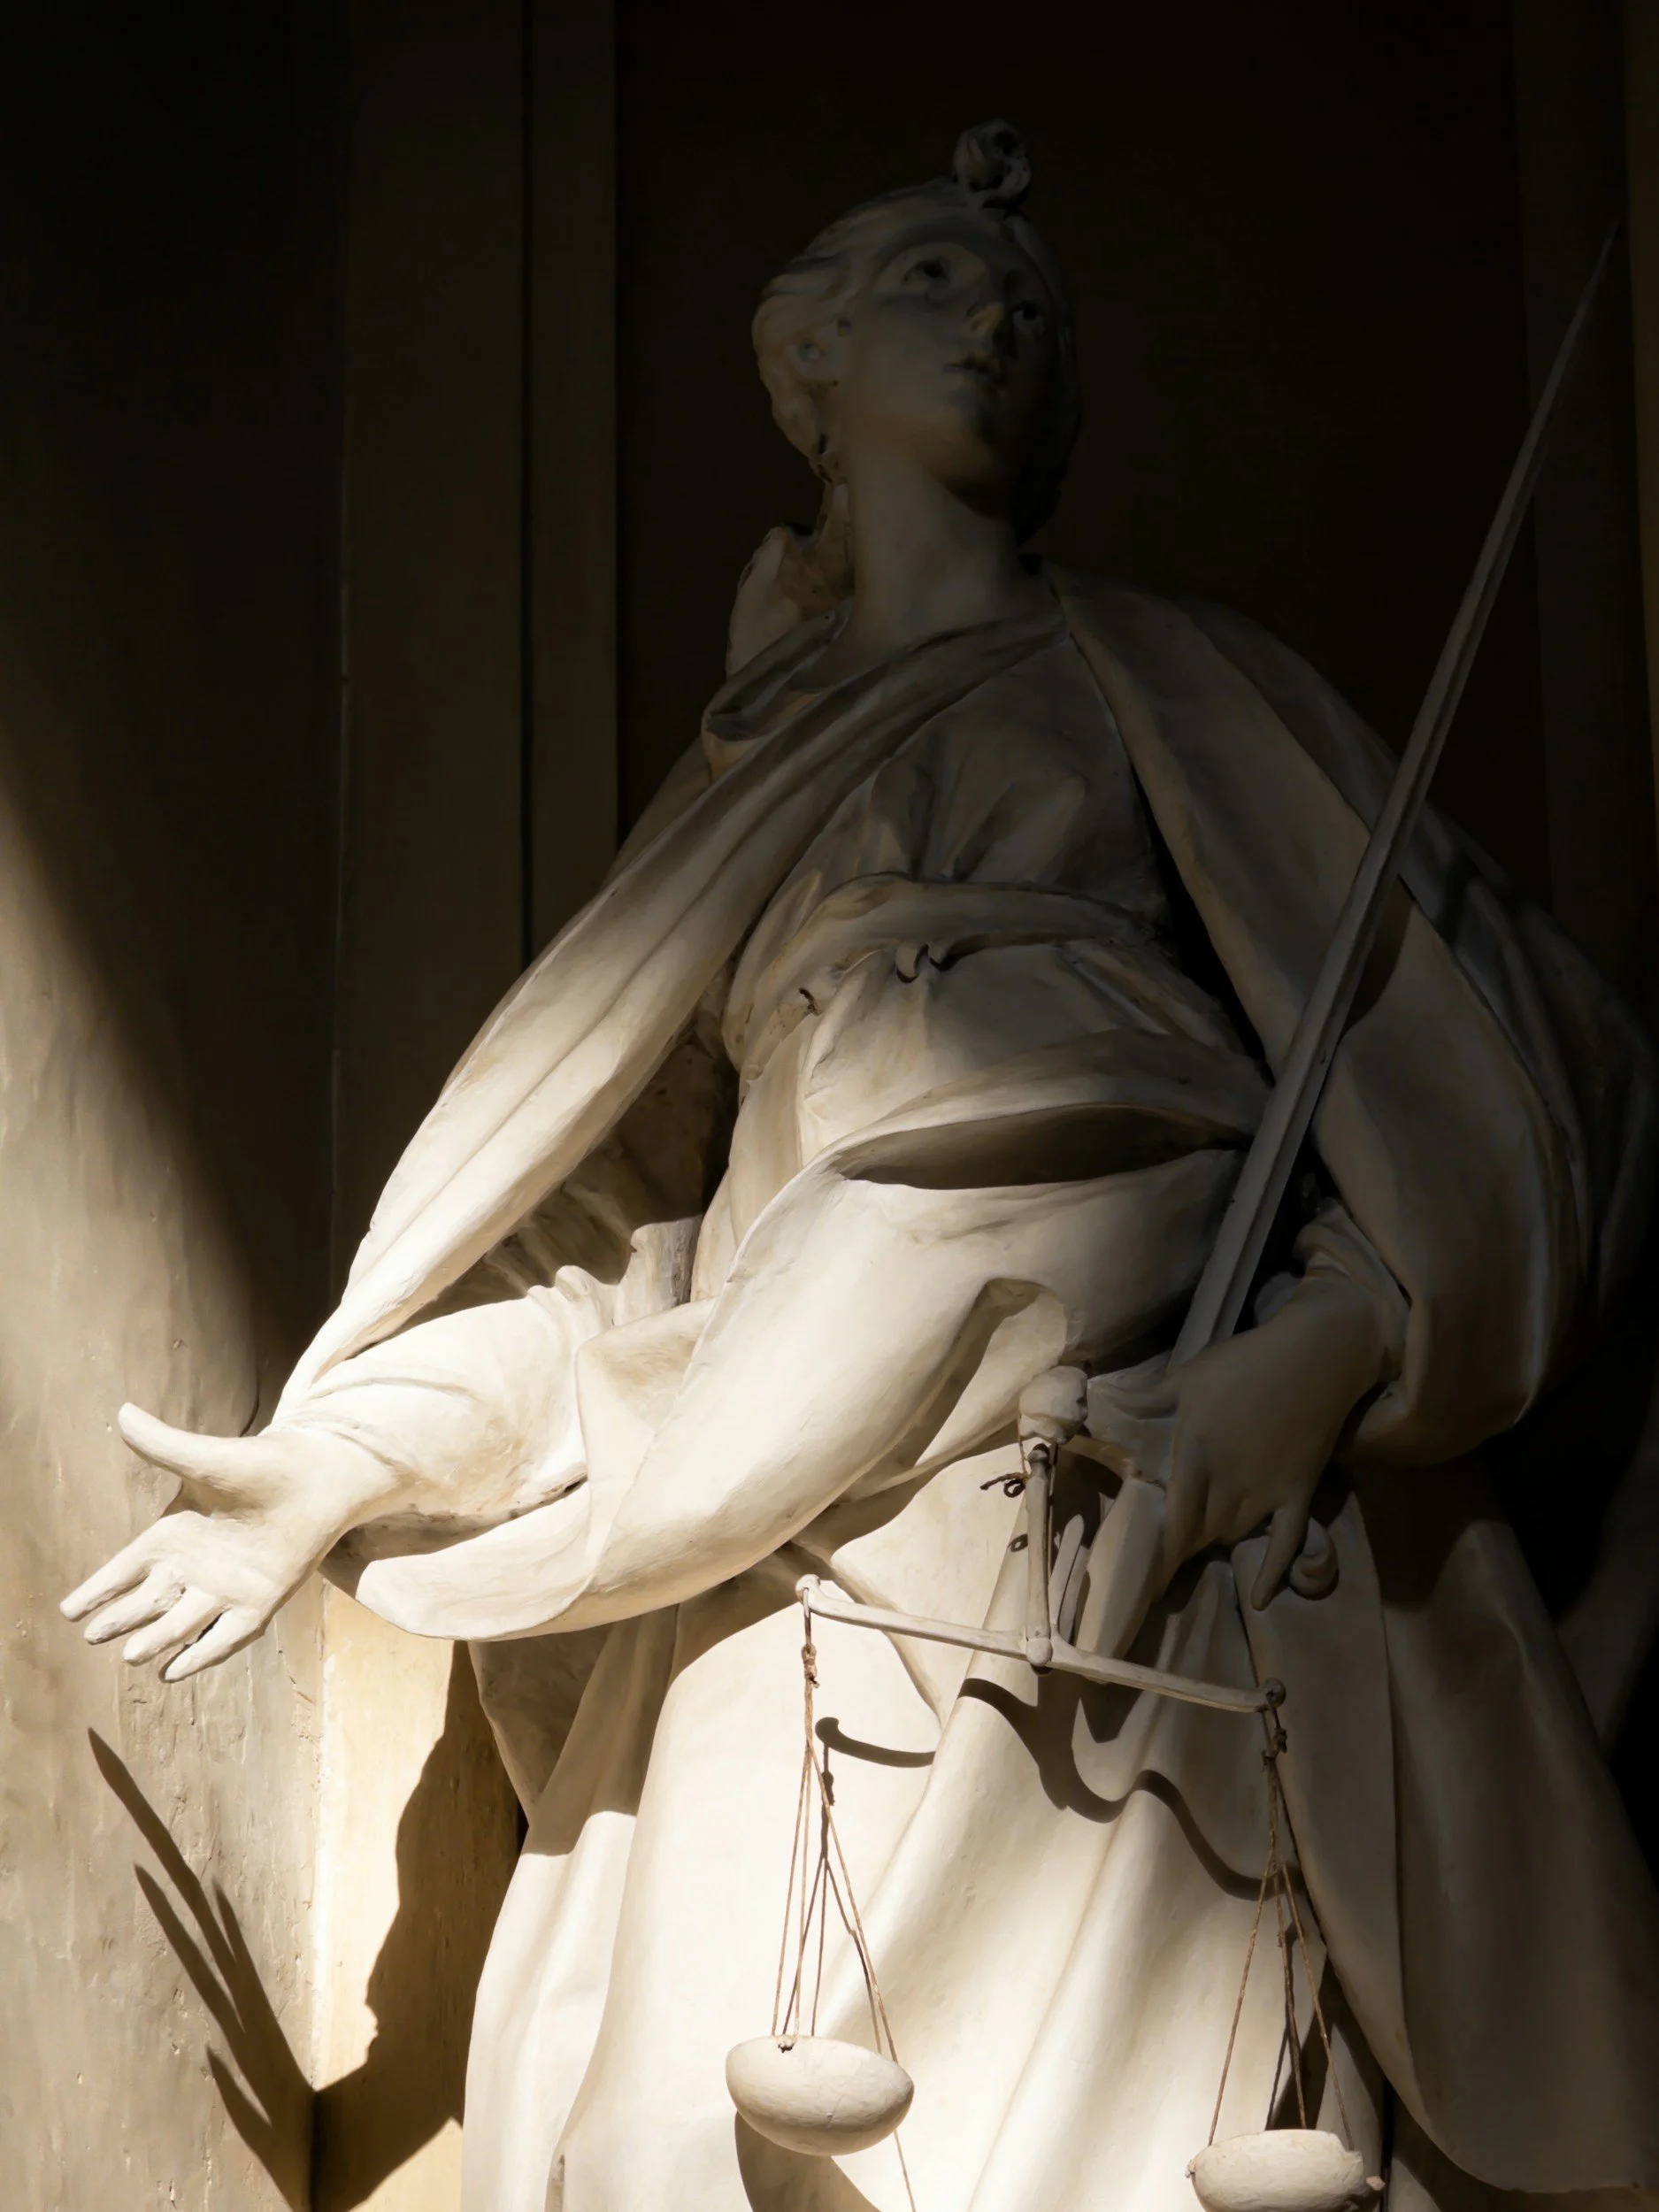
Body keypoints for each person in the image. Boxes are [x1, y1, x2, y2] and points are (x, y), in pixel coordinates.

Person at [65, 124, 1659, 2212]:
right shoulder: (739, 782)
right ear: (805, 365)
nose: (992, 314)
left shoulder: (1184, 687)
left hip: (1125, 1501)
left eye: (1027, 308)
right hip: (788, 1492)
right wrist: (346, 1454)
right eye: (930, 279)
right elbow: (615, 1272)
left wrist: (1325, 1349)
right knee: (674, 2139)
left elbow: (1498, 1077)